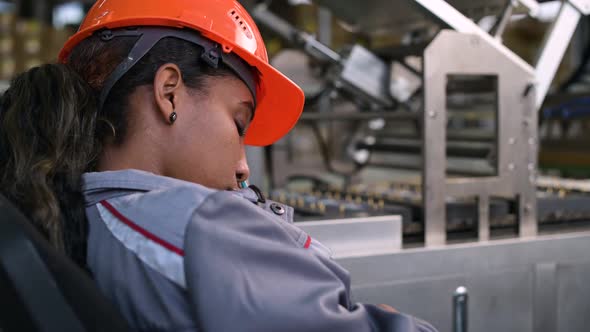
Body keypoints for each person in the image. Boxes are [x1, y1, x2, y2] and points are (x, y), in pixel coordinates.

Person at [0, 0, 438, 331]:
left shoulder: (63, 209)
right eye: (238, 121)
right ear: (169, 91)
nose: (244, 167)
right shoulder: (205, 226)